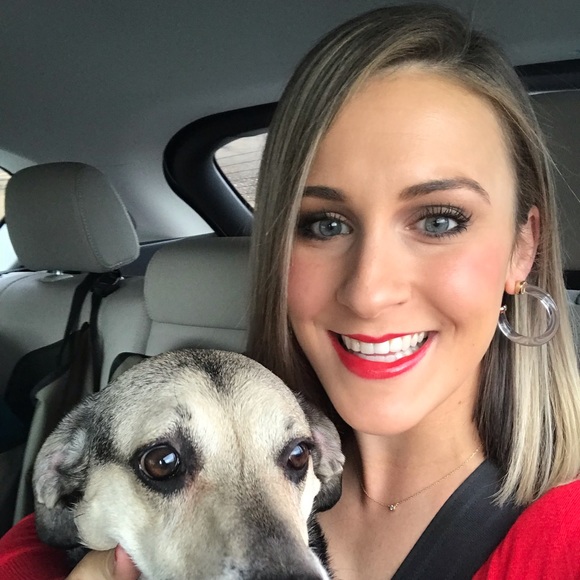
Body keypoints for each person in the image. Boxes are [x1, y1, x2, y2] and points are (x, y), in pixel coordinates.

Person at [1, 4, 579, 578]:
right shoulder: (62, 535)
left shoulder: (563, 543)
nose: (368, 291)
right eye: (324, 224)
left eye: (440, 220)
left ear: (521, 248)